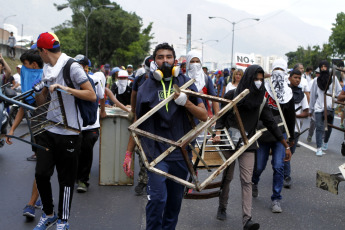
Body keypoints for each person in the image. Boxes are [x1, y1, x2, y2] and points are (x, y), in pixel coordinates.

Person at [136, 42, 207, 230]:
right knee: (158, 199)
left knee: (174, 205)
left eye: (168, 57)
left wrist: (187, 104)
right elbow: (136, 123)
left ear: (175, 61)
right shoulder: (145, 87)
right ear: (154, 61)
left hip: (180, 155)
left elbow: (204, 115)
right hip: (156, 154)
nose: (165, 60)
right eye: (160, 57)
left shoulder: (186, 82)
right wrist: (129, 154)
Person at [213, 64, 291, 230]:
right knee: (227, 178)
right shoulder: (232, 94)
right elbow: (221, 117)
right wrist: (218, 132)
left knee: (247, 180)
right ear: (248, 78)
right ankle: (222, 206)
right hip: (230, 143)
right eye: (255, 79)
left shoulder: (261, 100)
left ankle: (247, 219)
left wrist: (286, 145)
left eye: (261, 80)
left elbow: (271, 123)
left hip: (248, 144)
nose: (258, 82)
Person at [32, 32, 97, 230]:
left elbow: (91, 95)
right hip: (49, 130)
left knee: (66, 181)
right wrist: (38, 92)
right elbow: (43, 102)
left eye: (39, 52)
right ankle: (49, 214)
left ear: (43, 50)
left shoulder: (72, 67)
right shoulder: (47, 69)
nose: (40, 56)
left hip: (70, 132)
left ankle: (63, 220)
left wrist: (65, 88)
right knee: (41, 174)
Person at [252, 59, 295, 213]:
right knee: (259, 166)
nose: (278, 72)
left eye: (281, 69)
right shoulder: (263, 88)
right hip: (263, 133)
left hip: (280, 137)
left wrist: (291, 139)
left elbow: (290, 117)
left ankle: (276, 199)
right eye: (275, 69)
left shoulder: (288, 93)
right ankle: (254, 182)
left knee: (278, 166)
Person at [6, 49, 44, 219]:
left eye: (26, 65)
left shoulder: (47, 78)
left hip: (53, 128)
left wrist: (39, 92)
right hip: (38, 128)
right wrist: (12, 129)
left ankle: (36, 202)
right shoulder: (30, 83)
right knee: (42, 168)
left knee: (48, 169)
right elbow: (23, 105)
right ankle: (33, 202)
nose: (23, 70)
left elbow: (42, 104)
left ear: (34, 65)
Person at [73, 54, 106, 193]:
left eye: (80, 65)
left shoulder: (95, 80)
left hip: (91, 124)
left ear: (86, 67)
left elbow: (101, 96)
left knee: (86, 150)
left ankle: (83, 180)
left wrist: (102, 111)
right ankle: (76, 175)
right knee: (75, 151)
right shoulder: (70, 82)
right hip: (74, 124)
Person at [123, 56, 153, 196]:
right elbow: (134, 96)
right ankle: (143, 180)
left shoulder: (165, 79)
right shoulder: (140, 79)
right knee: (142, 151)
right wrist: (133, 111)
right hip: (142, 119)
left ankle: (154, 181)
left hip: (158, 122)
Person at [309, 60, 342, 156]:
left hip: (330, 107)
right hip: (319, 107)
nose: (323, 68)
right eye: (321, 66)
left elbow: (339, 91)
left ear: (327, 67)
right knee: (319, 127)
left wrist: (335, 104)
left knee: (328, 128)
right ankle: (319, 148)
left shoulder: (334, 79)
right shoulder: (316, 80)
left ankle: (325, 142)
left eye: (325, 66)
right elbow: (313, 96)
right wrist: (311, 109)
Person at [284, 69, 309, 188]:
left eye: (299, 78)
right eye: (295, 77)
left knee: (291, 152)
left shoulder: (302, 94)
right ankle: (286, 176)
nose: (297, 80)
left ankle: (283, 169)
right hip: (284, 127)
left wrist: (294, 116)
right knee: (286, 149)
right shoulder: (284, 92)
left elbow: (306, 112)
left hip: (296, 128)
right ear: (289, 78)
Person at [185, 50, 219, 117]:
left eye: (197, 61)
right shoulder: (183, 78)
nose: (195, 64)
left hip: (203, 116)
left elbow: (214, 99)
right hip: (186, 116)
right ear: (188, 63)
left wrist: (217, 117)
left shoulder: (205, 79)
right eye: (192, 62)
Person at [307, 67, 320, 142]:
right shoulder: (314, 81)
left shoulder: (327, 80)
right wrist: (311, 109)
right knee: (313, 122)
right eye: (317, 73)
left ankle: (322, 140)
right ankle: (310, 134)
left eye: (319, 73)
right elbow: (312, 96)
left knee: (323, 124)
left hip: (324, 106)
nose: (318, 74)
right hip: (316, 105)